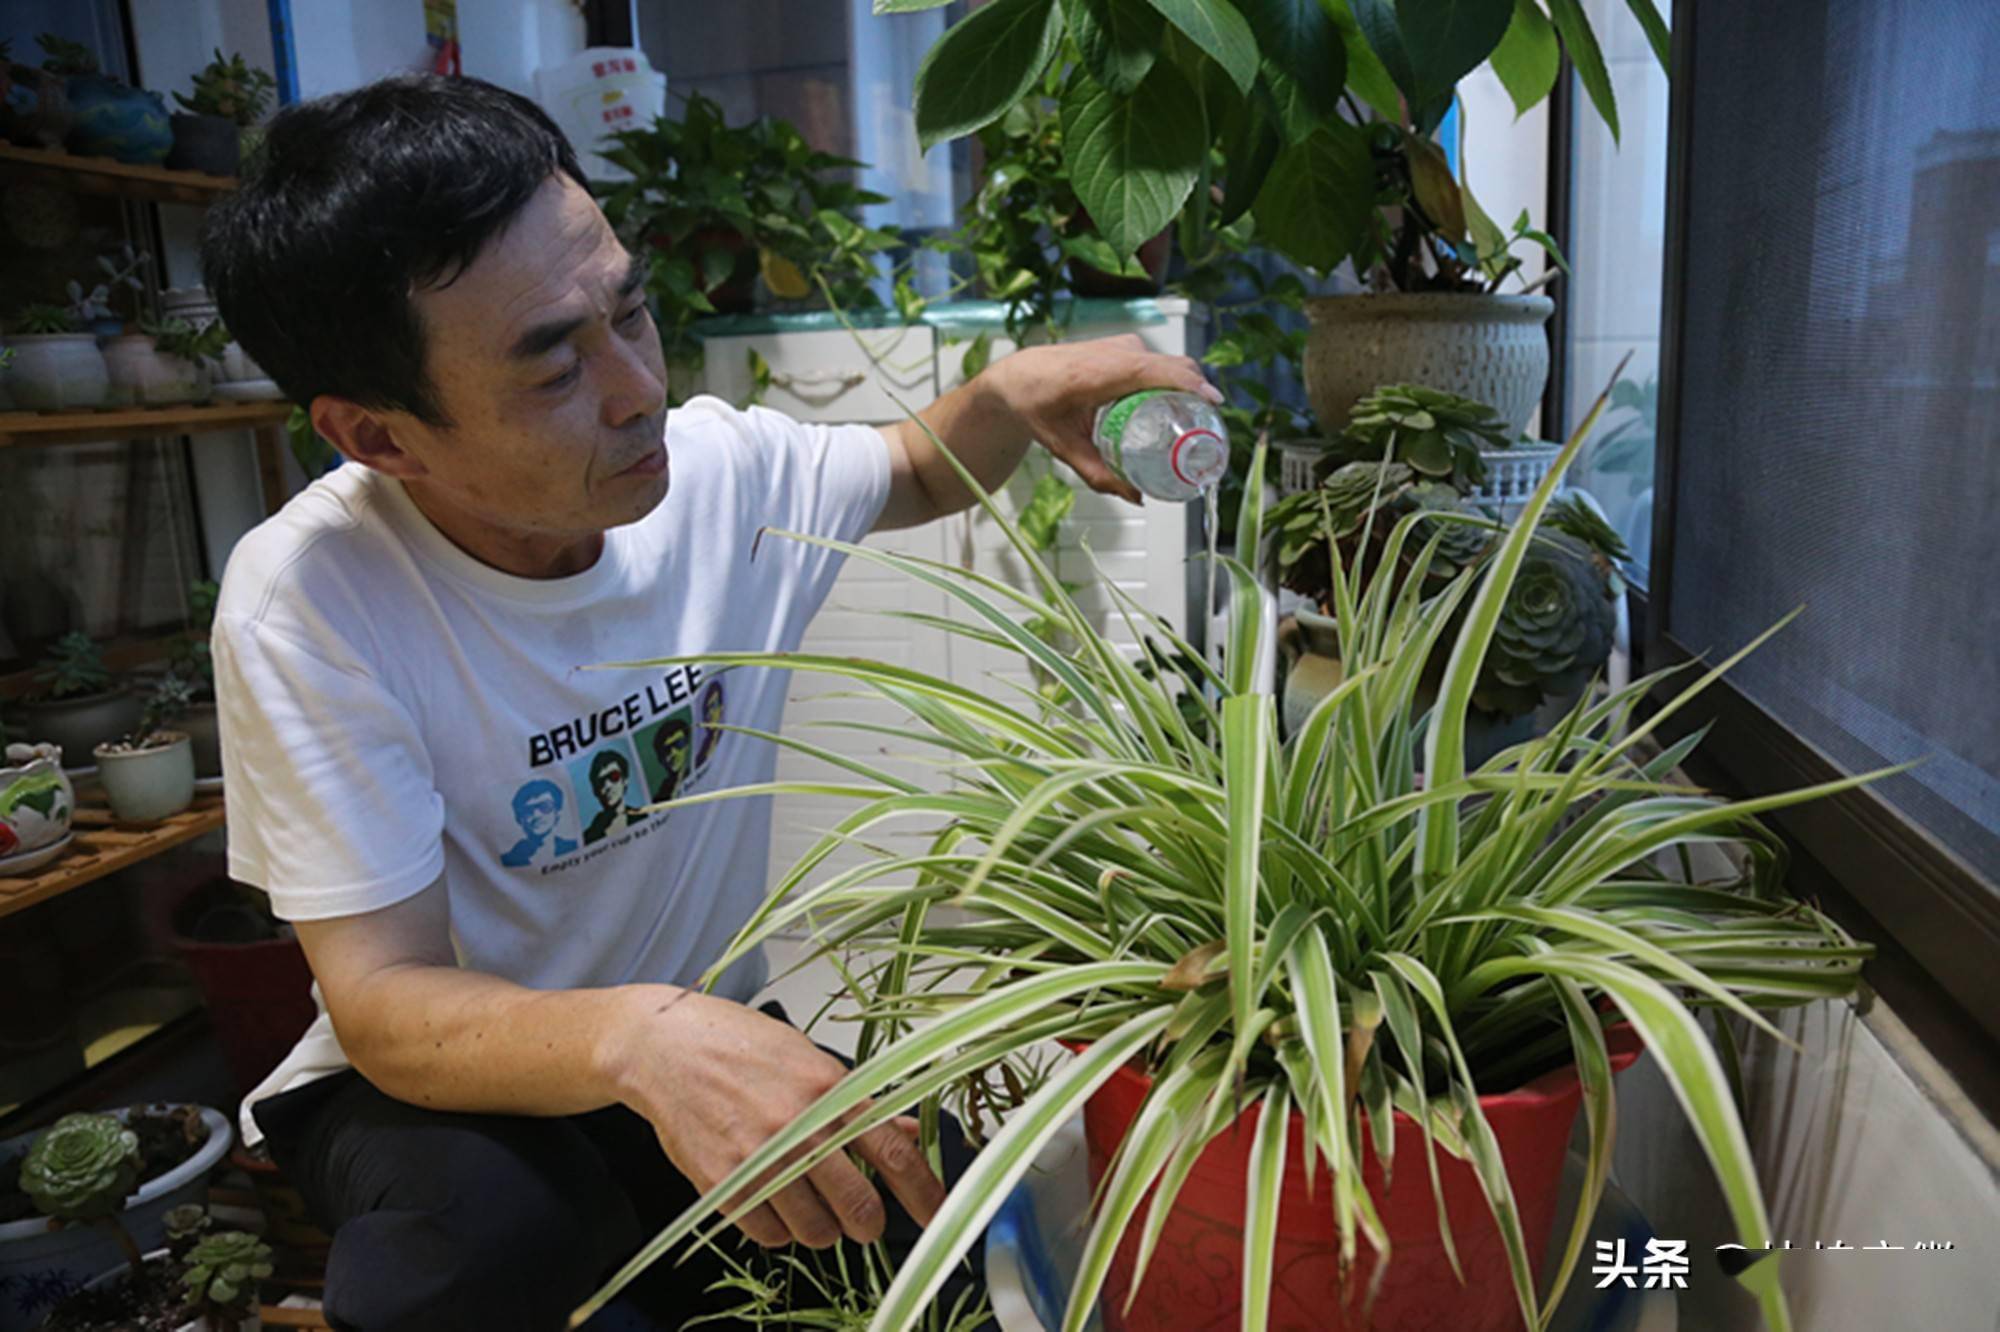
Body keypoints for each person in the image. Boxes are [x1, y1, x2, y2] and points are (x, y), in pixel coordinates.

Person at [204, 73, 1222, 1332]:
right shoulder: (313, 602)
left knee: (927, 1242)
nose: (634, 388)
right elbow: (385, 1004)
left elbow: (912, 465)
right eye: (551, 370)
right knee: (485, 1253)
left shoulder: (713, 475)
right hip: (435, 1087)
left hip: (683, 1027)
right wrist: (639, 1038)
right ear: (381, 437)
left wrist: (1011, 392)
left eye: (628, 312)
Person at [499, 778, 576, 866]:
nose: (536, 815)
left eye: (545, 807)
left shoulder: (573, 845)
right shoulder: (508, 859)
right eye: (528, 810)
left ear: (557, 813)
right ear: (519, 819)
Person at [581, 748, 644, 844]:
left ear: (625, 780)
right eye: (601, 782)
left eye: (614, 777)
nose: (608, 786)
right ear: (595, 791)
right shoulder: (588, 838)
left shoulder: (643, 816)